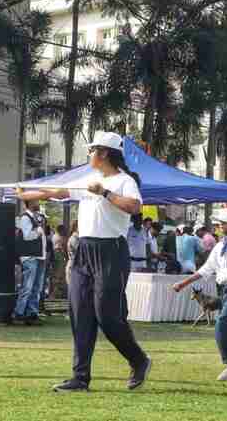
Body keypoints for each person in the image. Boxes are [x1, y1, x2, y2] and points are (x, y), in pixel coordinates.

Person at [15, 130, 152, 394]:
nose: (88, 154)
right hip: (84, 251)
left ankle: (138, 359)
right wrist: (30, 194)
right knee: (80, 314)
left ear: (103, 153)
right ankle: (80, 378)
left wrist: (105, 193)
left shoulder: (124, 181)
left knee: (107, 316)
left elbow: (134, 207)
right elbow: (59, 192)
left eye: (91, 150)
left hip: (110, 251)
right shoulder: (88, 178)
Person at [175, 207, 227, 381]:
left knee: (221, 324)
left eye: (223, 223)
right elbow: (206, 269)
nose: (219, 226)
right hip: (224, 289)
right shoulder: (220, 246)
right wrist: (184, 283)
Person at [13, 201, 46, 326]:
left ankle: (31, 313)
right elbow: (27, 236)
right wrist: (38, 231)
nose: (38, 203)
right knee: (28, 286)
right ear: (30, 203)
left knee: (36, 287)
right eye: (36, 201)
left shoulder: (36, 217)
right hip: (30, 256)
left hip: (38, 256)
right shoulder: (25, 218)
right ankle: (19, 313)